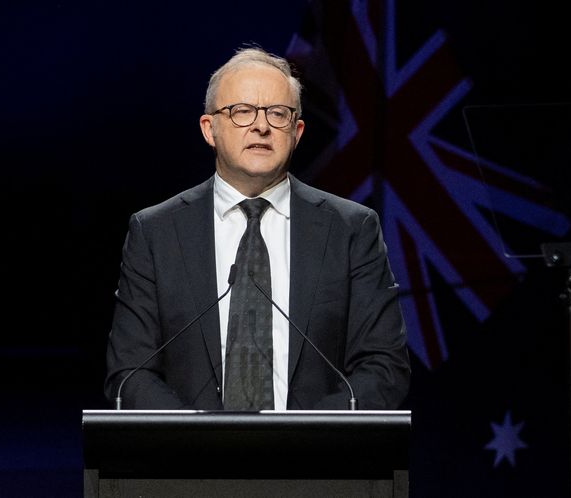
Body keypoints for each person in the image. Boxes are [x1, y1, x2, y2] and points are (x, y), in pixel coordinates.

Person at [105, 47, 409, 410]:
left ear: (296, 132)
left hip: (316, 460)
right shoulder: (155, 232)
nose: (261, 126)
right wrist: (200, 440)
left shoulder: (351, 229)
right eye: (241, 111)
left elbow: (384, 366)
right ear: (209, 129)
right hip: (191, 461)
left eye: (278, 114)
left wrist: (302, 439)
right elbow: (129, 372)